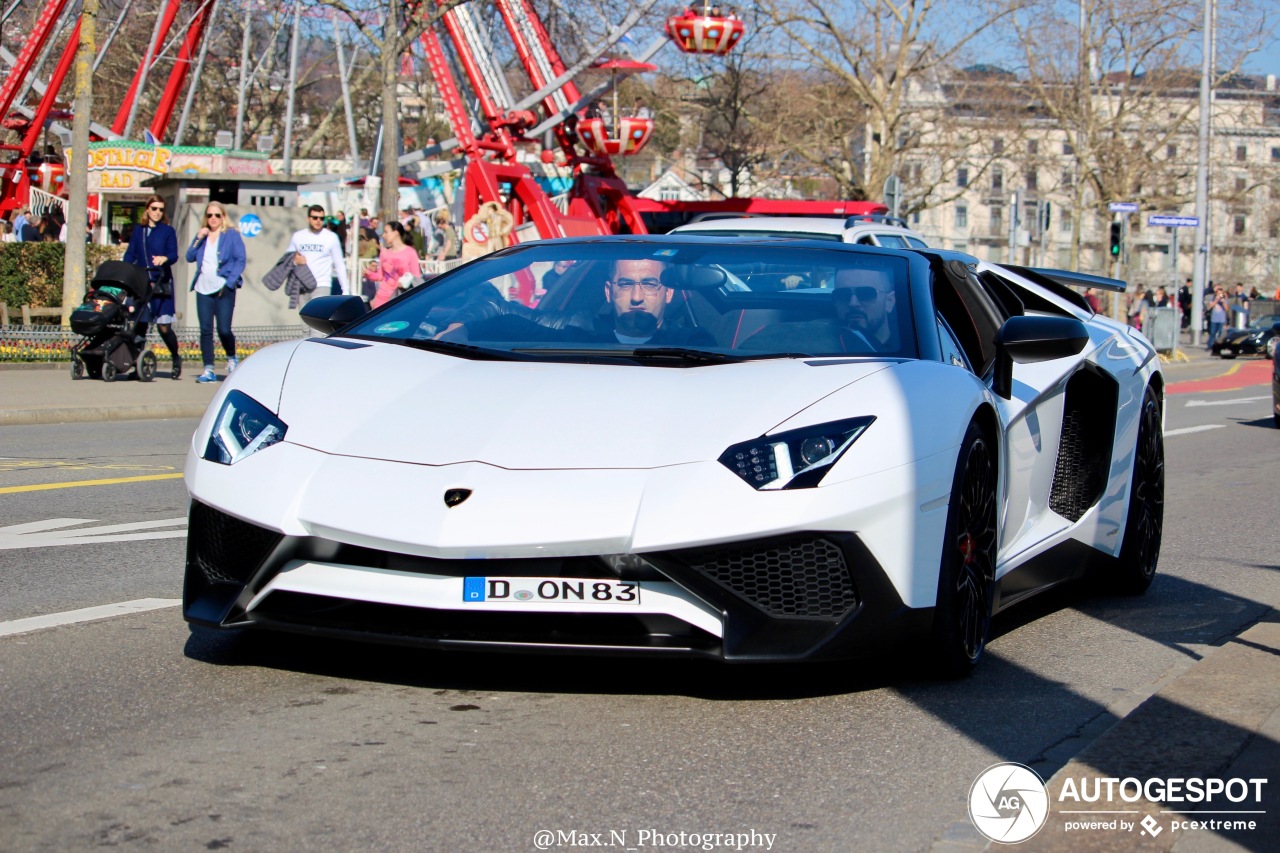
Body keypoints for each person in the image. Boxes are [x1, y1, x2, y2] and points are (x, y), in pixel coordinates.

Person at [440, 258, 713, 346]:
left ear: (668, 293)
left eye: (650, 285)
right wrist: (459, 329)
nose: (637, 297)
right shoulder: (576, 328)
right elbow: (495, 305)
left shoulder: (694, 345)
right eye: (626, 284)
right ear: (609, 292)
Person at [185, 202, 246, 383]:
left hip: (223, 288)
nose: (213, 218)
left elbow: (240, 259)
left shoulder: (231, 235)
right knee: (205, 330)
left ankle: (231, 358)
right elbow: (189, 257)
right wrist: (198, 237)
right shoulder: (202, 236)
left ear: (223, 217)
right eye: (210, 215)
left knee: (224, 329)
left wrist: (229, 283)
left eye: (217, 215)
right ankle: (208, 369)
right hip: (203, 288)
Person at [123, 195, 182, 378]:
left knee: (163, 327)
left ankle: (175, 357)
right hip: (142, 283)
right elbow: (130, 253)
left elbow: (173, 254)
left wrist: (165, 258)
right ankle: (137, 366)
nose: (157, 212)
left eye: (161, 209)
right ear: (147, 209)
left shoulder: (167, 231)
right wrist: (125, 270)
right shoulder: (139, 231)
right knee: (139, 324)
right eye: (154, 208)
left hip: (161, 283)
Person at [288, 204, 349, 296]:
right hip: (302, 284)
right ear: (308, 219)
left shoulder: (331, 237)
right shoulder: (298, 236)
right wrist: (295, 261)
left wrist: (345, 290)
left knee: (318, 310)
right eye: (315, 218)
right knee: (304, 311)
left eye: (321, 218)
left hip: (322, 285)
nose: (318, 221)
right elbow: (287, 259)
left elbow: (339, 263)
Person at [369, 221, 423, 308]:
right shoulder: (384, 252)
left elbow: (417, 278)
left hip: (400, 299)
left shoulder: (410, 252)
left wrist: (405, 283)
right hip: (381, 298)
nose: (383, 235)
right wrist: (369, 274)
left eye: (386, 232)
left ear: (395, 233)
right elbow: (380, 276)